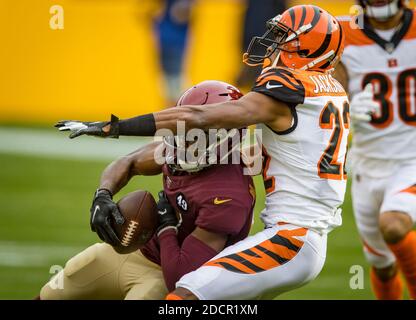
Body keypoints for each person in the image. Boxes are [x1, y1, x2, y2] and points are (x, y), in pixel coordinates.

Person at [56, 4, 349, 300]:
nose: (272, 43)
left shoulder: (288, 90)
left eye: (283, 37)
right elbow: (284, 153)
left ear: (306, 48)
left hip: (291, 237)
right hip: (298, 236)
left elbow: (199, 117)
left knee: (183, 297)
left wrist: (115, 127)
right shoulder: (329, 91)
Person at [41, 81, 255, 299]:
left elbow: (181, 278)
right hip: (141, 252)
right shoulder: (177, 152)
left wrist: (166, 227)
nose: (184, 142)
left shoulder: (228, 197)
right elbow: (129, 161)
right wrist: (103, 195)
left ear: (228, 137)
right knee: (61, 285)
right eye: (184, 131)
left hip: (169, 277)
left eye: (196, 134)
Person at [335, 0, 416, 300]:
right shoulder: (341, 33)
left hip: (412, 158)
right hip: (368, 164)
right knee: (381, 265)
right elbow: (326, 97)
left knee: (393, 225)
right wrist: (344, 108)